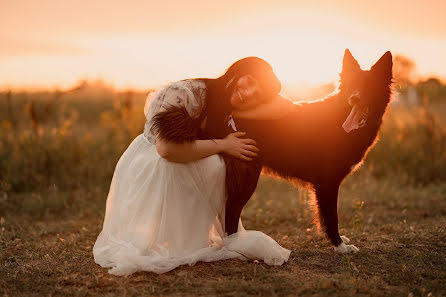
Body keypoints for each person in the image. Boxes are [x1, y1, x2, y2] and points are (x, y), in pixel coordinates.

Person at [93, 57, 292, 276]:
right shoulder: (188, 93)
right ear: (237, 70)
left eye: (259, 95)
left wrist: (247, 109)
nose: (250, 93)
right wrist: (225, 144)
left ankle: (191, 238)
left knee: (215, 163)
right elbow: (167, 150)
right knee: (207, 161)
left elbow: (285, 108)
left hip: (182, 159)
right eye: (251, 81)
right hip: (152, 163)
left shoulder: (228, 104)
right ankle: (164, 237)